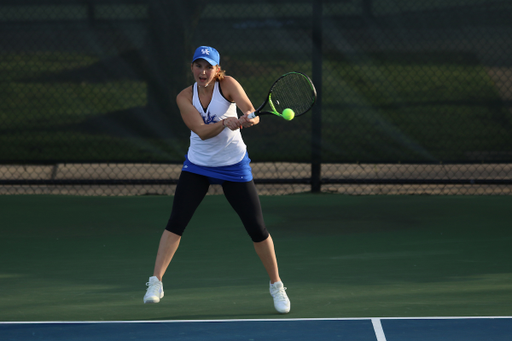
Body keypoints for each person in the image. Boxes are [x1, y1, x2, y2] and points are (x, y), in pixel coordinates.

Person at [143, 46, 290, 314]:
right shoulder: (184, 97)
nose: (203, 71)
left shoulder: (229, 85)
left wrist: (248, 119)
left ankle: (276, 285)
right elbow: (200, 131)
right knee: (176, 222)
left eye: (208, 66)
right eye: (198, 66)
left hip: (233, 165)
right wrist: (225, 123)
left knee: (257, 228)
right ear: (192, 68)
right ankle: (156, 282)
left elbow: (250, 112)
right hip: (198, 166)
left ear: (217, 70)